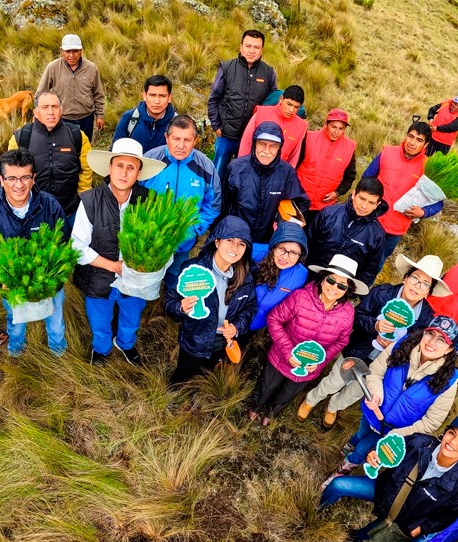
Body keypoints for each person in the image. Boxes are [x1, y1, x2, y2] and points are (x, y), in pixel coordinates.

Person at [300, 253, 448, 427]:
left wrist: (397, 347)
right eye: (415, 278)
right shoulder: (382, 293)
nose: (417, 286)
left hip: (383, 364)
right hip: (358, 350)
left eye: (425, 284)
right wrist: (375, 325)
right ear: (406, 278)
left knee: (357, 391)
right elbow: (357, 315)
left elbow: (417, 348)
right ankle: (312, 399)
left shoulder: (425, 317)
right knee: (335, 381)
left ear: (429, 292)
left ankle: (334, 406)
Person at [321, 415, 458, 542]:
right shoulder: (419, 443)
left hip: (401, 518)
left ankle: (357, 537)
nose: (452, 442)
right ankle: (318, 508)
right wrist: (373, 453)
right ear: (445, 433)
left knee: (373, 530)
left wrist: (423, 528)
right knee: (338, 484)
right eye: (452, 433)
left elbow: (449, 516)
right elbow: (386, 449)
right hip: (383, 490)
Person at [331, 317, 458, 481]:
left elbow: (431, 422)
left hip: (394, 430)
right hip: (373, 411)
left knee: (363, 449)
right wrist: (376, 394)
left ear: (449, 349)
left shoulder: (448, 381)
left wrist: (396, 434)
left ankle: (342, 471)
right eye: (430, 334)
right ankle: (351, 444)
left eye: (441, 340)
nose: (432, 342)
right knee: (362, 433)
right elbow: (375, 372)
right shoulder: (401, 347)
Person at [0, 149, 72, 357]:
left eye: (25, 177)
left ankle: (58, 350)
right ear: (1, 180)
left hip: (49, 285)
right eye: (11, 178)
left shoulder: (50, 205)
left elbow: (65, 245)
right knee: (16, 323)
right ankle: (16, 350)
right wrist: (0, 282)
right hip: (12, 288)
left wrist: (54, 279)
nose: (19, 185)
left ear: (34, 178)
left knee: (55, 320)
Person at [71, 138, 162, 366]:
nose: (124, 172)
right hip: (98, 277)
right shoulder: (90, 201)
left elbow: (160, 243)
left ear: (138, 174)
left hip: (136, 279)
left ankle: (125, 344)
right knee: (99, 321)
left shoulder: (150, 201)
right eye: (119, 165)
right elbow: (77, 246)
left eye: (131, 167)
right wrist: (112, 266)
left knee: (131, 318)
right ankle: (101, 349)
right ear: (110, 168)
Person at [247, 254, 365, 426]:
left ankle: (272, 413)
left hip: (309, 368)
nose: (334, 287)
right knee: (267, 385)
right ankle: (256, 407)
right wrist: (287, 351)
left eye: (342, 285)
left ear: (348, 290)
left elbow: (342, 341)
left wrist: (321, 361)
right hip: (281, 357)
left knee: (288, 393)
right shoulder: (300, 297)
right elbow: (274, 319)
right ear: (323, 279)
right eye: (331, 280)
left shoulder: (348, 312)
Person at [164, 216, 256, 385]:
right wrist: (180, 307)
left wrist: (236, 327)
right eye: (230, 240)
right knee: (184, 372)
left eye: (241, 244)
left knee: (206, 371)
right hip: (195, 339)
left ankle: (198, 388)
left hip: (221, 341)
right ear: (216, 241)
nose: (235, 248)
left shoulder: (245, 277)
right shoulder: (193, 269)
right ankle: (174, 392)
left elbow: (250, 307)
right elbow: (170, 302)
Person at [141, 115, 221, 291]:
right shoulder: (150, 161)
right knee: (147, 278)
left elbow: (213, 204)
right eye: (176, 139)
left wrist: (193, 230)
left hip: (183, 241)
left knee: (175, 277)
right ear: (166, 137)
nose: (181, 145)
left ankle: (171, 302)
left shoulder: (206, 167)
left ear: (195, 140)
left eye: (187, 140)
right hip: (151, 237)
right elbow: (135, 198)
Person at [362, 122, 442, 266]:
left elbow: (438, 202)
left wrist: (423, 212)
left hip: (395, 228)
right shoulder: (387, 153)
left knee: (376, 263)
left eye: (419, 140)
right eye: (411, 136)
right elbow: (366, 178)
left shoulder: (428, 168)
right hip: (371, 218)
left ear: (426, 145)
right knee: (356, 253)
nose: (412, 142)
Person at [220, 121, 310, 249]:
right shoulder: (236, 168)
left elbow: (301, 202)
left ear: (279, 148)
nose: (266, 151)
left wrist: (285, 224)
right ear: (254, 144)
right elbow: (222, 203)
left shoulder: (286, 172)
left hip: (266, 240)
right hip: (236, 237)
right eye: (262, 144)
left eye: (273, 146)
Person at [8, 90, 92, 220]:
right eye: (45, 107)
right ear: (36, 112)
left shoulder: (77, 136)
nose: (51, 112)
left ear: (61, 111)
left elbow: (86, 170)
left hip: (70, 212)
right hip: (34, 214)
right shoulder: (20, 138)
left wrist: (83, 201)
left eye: (55, 107)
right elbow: (11, 176)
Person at [207, 29, 277, 178]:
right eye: (248, 46)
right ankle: (215, 195)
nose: (252, 51)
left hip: (252, 138)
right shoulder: (227, 68)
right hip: (226, 135)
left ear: (262, 50)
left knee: (243, 178)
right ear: (241, 47)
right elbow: (214, 98)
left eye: (256, 47)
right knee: (217, 175)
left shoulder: (269, 73)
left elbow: (272, 105)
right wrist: (216, 125)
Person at [304, 176, 388, 287]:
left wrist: (352, 291)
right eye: (362, 199)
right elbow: (307, 244)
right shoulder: (328, 214)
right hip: (310, 278)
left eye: (371, 203)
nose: (364, 206)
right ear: (353, 194)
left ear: (377, 204)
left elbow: (369, 271)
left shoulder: (377, 235)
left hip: (340, 288)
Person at [245, 221, 308, 340]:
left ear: (301, 255)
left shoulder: (300, 275)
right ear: (273, 247)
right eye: (281, 249)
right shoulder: (254, 252)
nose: (285, 257)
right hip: (233, 315)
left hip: (256, 325)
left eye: (293, 253)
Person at [36, 34, 105, 141]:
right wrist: (38, 114)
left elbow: (98, 94)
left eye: (75, 51)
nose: (71, 55)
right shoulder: (53, 67)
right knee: (63, 148)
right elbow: (40, 94)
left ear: (81, 50)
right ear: (62, 51)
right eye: (68, 51)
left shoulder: (91, 68)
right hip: (61, 118)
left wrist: (99, 116)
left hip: (86, 119)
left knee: (84, 147)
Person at [295, 109, 357, 224]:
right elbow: (294, 165)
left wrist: (337, 193)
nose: (336, 132)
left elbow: (350, 177)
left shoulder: (349, 148)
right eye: (333, 127)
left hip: (323, 207)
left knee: (313, 234)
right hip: (298, 199)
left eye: (341, 128)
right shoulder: (309, 137)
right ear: (326, 124)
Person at [237, 85, 307, 165]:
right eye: (289, 104)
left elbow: (294, 157)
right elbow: (246, 142)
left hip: (279, 171)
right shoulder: (261, 113)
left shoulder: (301, 126)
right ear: (281, 99)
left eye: (296, 107)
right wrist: (241, 166)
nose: (291, 110)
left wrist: (287, 172)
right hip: (253, 166)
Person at [113, 75, 177, 153]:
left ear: (169, 98)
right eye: (152, 95)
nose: (157, 101)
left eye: (162, 96)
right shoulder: (129, 117)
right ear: (144, 95)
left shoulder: (178, 122)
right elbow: (115, 151)